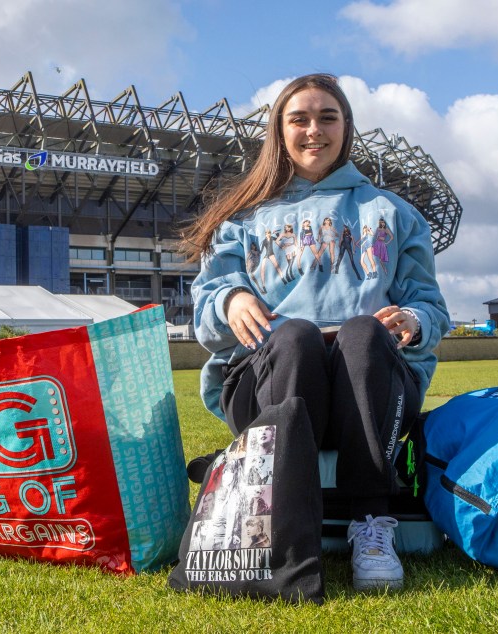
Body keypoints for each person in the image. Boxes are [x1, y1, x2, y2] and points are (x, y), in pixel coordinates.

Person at [182, 73, 450, 591]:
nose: (314, 130)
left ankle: (371, 525)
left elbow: (431, 308)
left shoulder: (393, 212)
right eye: (298, 118)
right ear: (278, 132)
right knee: (297, 336)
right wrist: (230, 299)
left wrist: (414, 322)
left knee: (361, 334)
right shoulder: (243, 218)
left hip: (368, 394)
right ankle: (282, 527)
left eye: (328, 117)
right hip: (273, 387)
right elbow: (205, 315)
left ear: (346, 127)